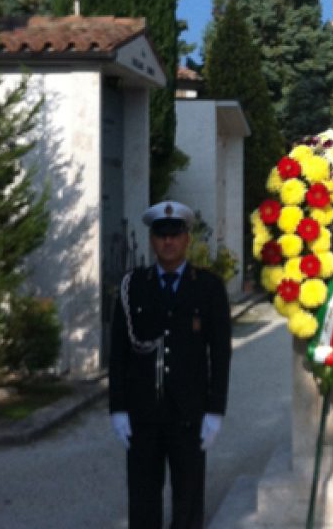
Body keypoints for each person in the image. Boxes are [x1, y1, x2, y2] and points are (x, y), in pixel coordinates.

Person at [109, 200, 233, 529]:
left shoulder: (208, 288)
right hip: (143, 415)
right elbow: (118, 352)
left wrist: (215, 411)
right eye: (161, 234)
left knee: (188, 503)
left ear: (186, 239)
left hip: (189, 417)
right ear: (152, 239)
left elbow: (220, 353)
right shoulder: (132, 287)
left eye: (175, 234)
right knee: (143, 500)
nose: (168, 241)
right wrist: (118, 408)